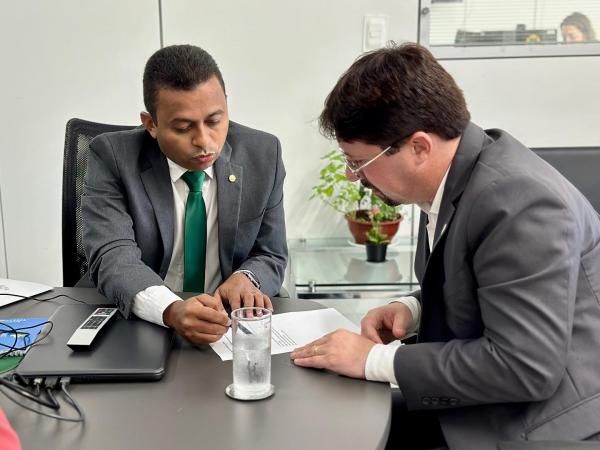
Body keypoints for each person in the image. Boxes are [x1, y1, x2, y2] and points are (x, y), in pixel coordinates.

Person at [291, 43, 600, 450]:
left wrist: (372, 360)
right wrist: (414, 307)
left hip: (539, 424)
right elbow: (488, 275)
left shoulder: (521, 202)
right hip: (491, 400)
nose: (352, 177)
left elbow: (524, 367)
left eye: (358, 162)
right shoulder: (458, 174)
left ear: (419, 147)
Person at [82, 45, 287, 344]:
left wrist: (248, 278)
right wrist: (170, 309)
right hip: (143, 326)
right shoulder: (112, 156)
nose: (204, 142)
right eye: (183, 127)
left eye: (215, 121)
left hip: (228, 327)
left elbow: (271, 253)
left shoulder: (263, 154)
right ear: (151, 124)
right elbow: (113, 254)